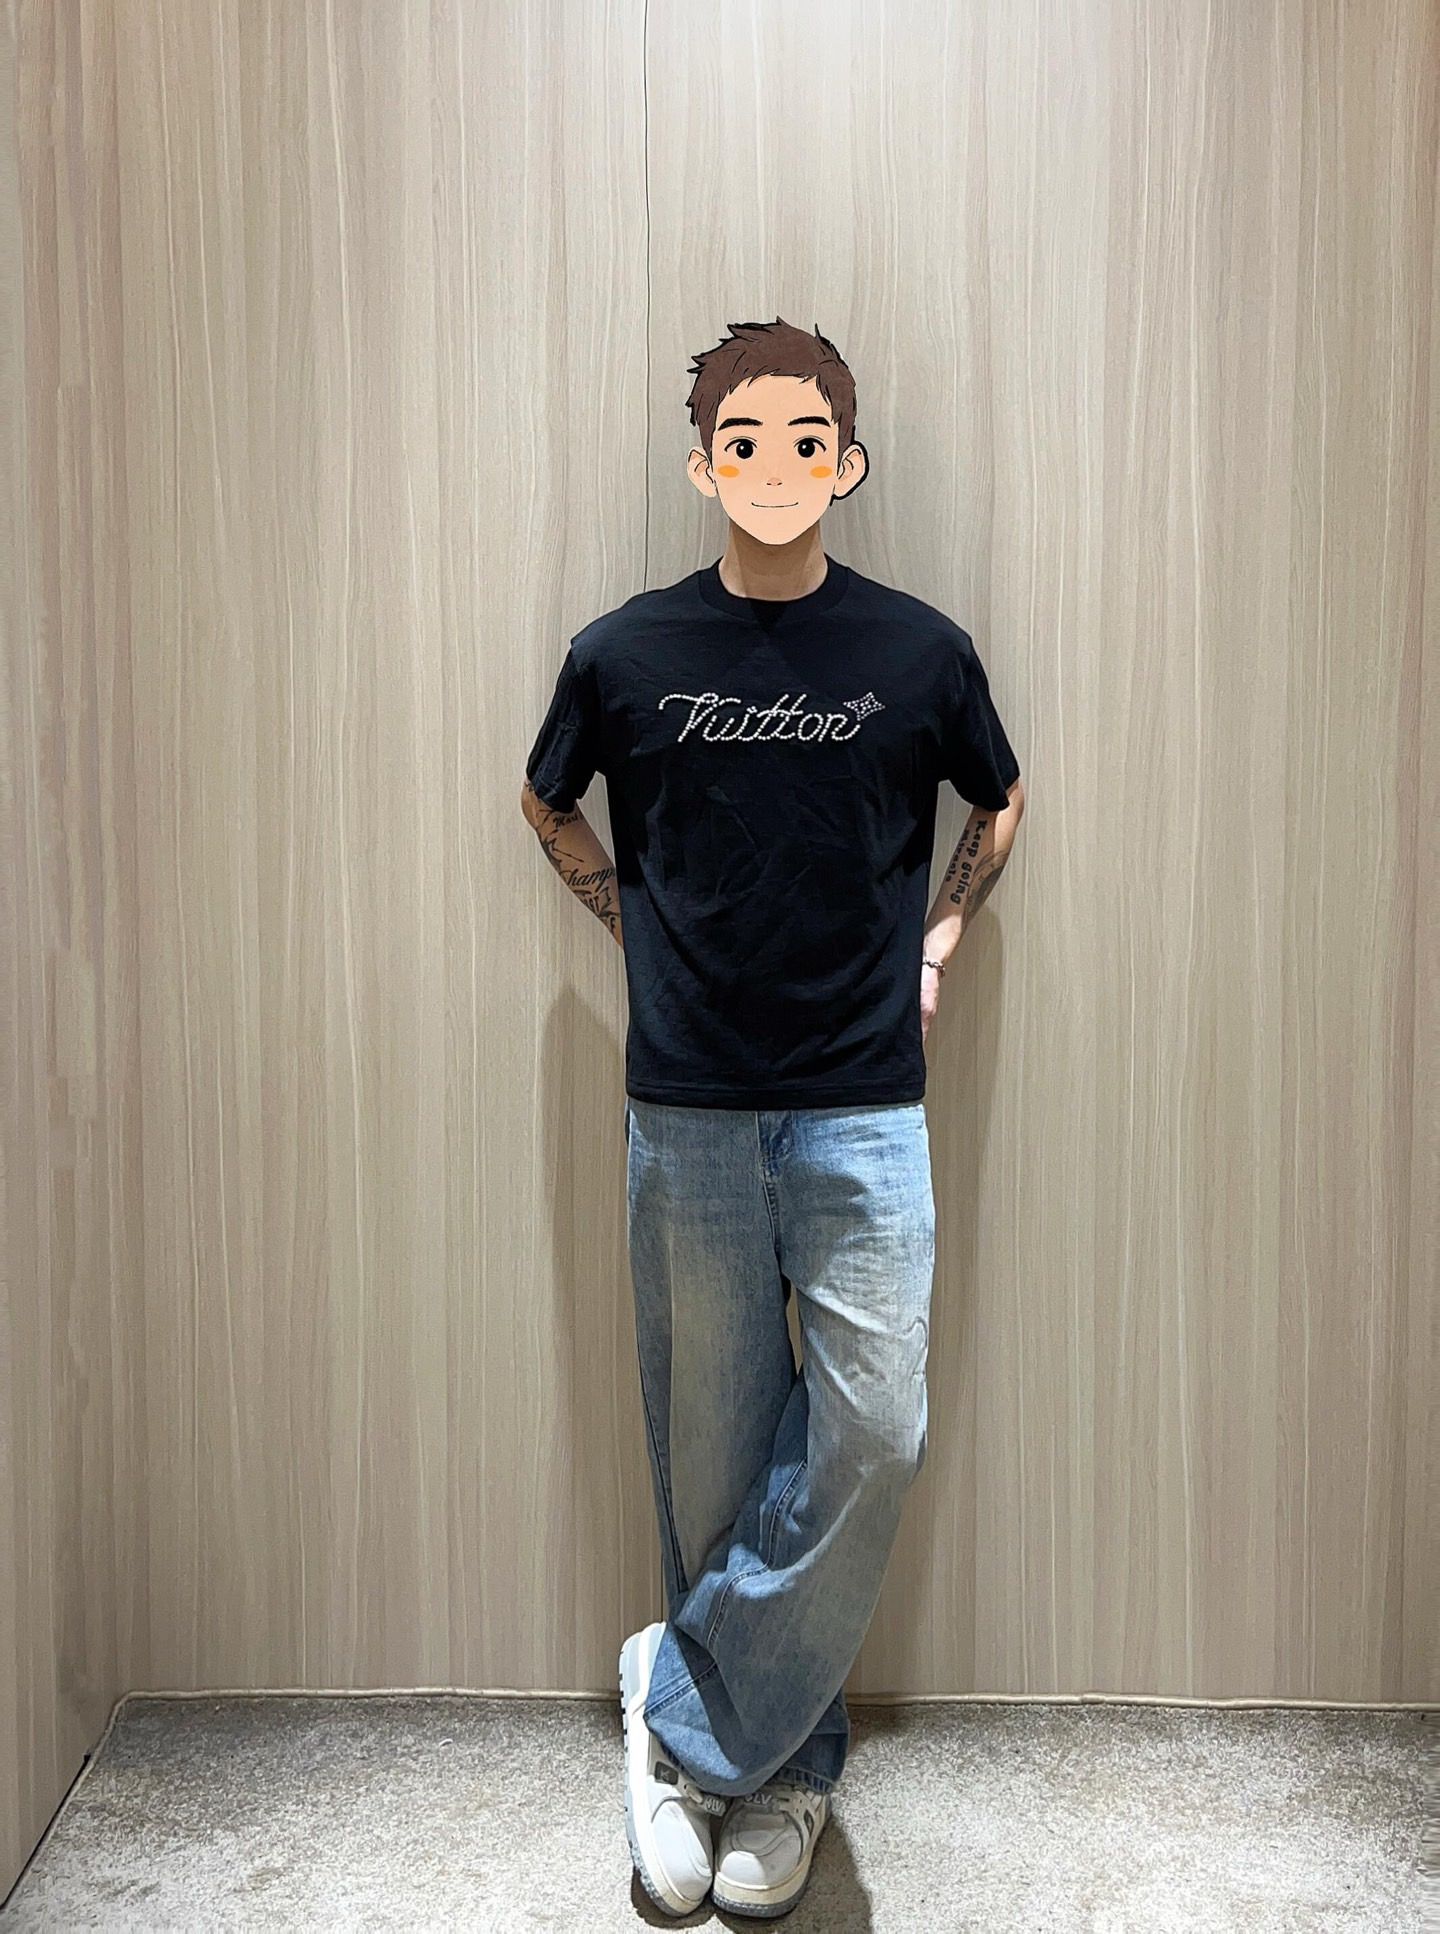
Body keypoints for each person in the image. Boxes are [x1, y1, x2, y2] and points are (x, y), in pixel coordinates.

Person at [520, 317, 1024, 1919]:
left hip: (866, 1106)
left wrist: (941, 935)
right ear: (703, 465)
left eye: (809, 440)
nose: (778, 467)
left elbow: (1000, 792)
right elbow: (544, 796)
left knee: (875, 1427)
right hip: (688, 1110)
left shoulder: (921, 653)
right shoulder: (623, 655)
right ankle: (775, 1772)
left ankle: (675, 1710)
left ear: (847, 462)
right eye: (746, 441)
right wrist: (626, 922)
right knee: (718, 1455)